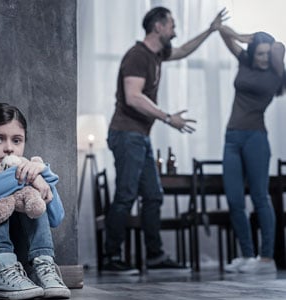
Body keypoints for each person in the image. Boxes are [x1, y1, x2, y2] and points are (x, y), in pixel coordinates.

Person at [103, 6, 227, 275]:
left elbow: (183, 51)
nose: (175, 29)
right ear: (158, 26)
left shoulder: (156, 55)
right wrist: (169, 117)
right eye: (171, 24)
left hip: (139, 136)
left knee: (153, 194)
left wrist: (211, 30)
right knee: (126, 195)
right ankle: (111, 257)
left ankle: (155, 255)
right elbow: (133, 96)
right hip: (127, 133)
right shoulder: (138, 55)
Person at [218, 25, 286, 274]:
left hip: (255, 138)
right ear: (252, 52)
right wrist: (229, 32)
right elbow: (224, 36)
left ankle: (266, 259)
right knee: (235, 199)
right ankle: (248, 255)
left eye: (267, 54)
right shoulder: (244, 63)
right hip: (232, 138)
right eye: (260, 53)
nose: (264, 58)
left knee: (260, 197)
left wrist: (257, 38)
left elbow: (280, 47)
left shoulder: (275, 74)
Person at [0, 103, 71, 299]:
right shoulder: (27, 174)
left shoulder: (31, 170)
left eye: (17, 141)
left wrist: (44, 174)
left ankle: (43, 266)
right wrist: (33, 178)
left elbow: (56, 217)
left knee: (30, 195)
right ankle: (1, 269)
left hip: (22, 265)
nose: (9, 149)